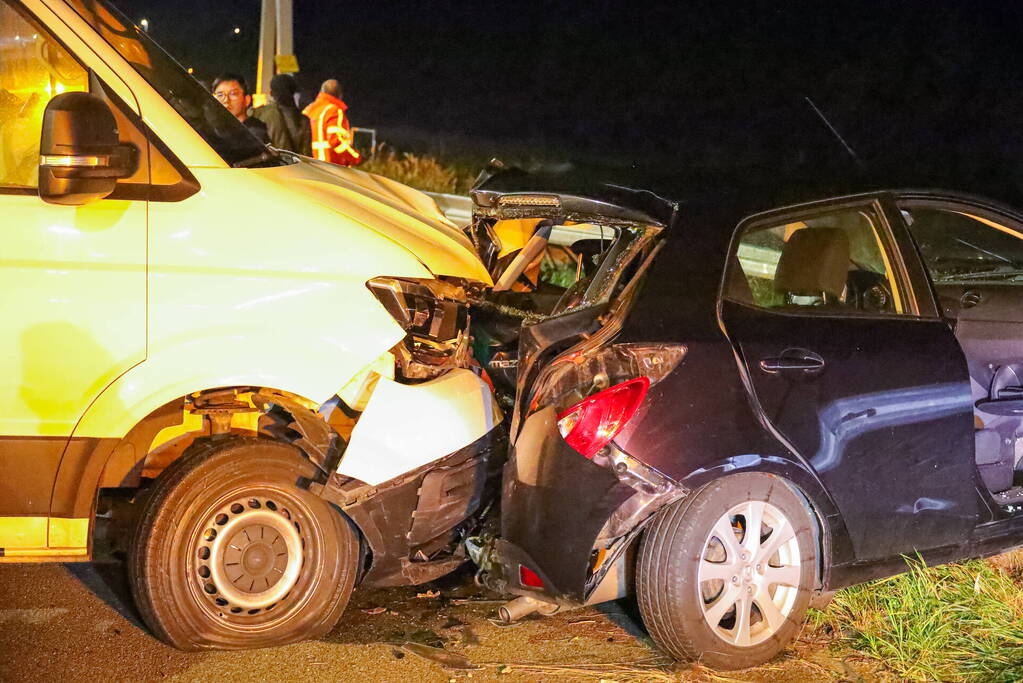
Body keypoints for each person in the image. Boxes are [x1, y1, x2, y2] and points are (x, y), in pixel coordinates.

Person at [303, 78, 361, 166]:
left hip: (307, 166)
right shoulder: (334, 111)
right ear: (340, 95)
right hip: (328, 167)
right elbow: (336, 141)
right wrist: (356, 157)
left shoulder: (307, 110)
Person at [253, 74, 311, 156]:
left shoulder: (259, 114)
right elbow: (306, 155)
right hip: (293, 166)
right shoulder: (304, 120)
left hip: (267, 166)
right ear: (293, 92)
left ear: (271, 93)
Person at [211, 73, 269, 144]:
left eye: (233, 94)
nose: (226, 100)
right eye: (220, 95)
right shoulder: (214, 129)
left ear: (247, 100)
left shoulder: (255, 132)